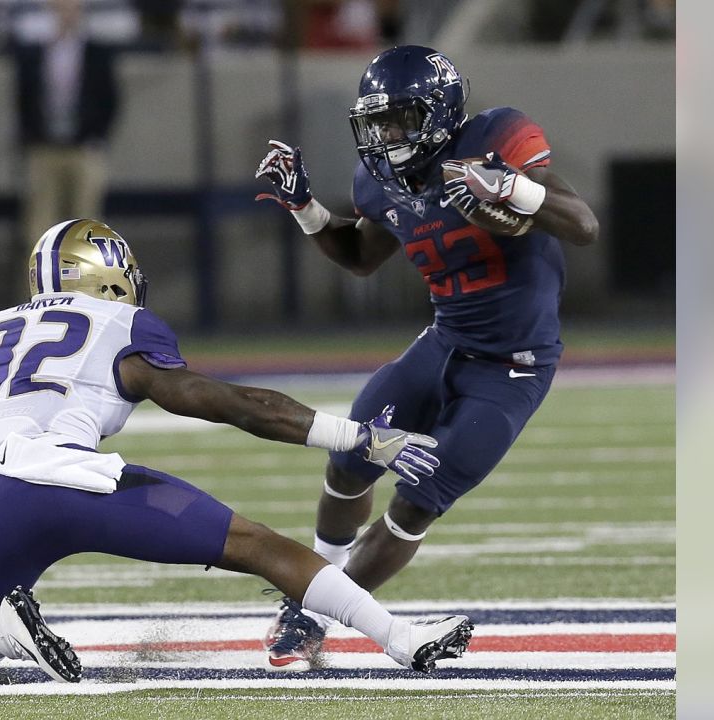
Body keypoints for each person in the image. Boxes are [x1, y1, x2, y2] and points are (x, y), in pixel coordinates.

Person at [0, 219, 474, 683]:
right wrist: (359, 436)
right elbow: (225, 403)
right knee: (264, 548)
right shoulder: (119, 323)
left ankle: (3, 635)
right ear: (103, 275)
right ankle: (400, 638)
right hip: (75, 483)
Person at [254, 45, 599, 671]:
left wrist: (514, 190)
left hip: (512, 365)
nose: (386, 138)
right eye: (377, 123)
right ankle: (317, 579)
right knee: (350, 455)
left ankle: (316, 614)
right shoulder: (379, 180)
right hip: (443, 341)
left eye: (399, 121)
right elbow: (361, 256)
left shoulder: (497, 140)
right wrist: (304, 207)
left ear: (439, 116)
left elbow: (582, 224)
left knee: (417, 496)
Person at [14, 0, 120, 246]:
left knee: (87, 229)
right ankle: (43, 283)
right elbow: (24, 98)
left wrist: (97, 136)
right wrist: (31, 136)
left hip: (84, 148)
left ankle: (87, 284)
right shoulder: (37, 52)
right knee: (40, 227)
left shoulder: (96, 53)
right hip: (44, 148)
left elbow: (110, 100)